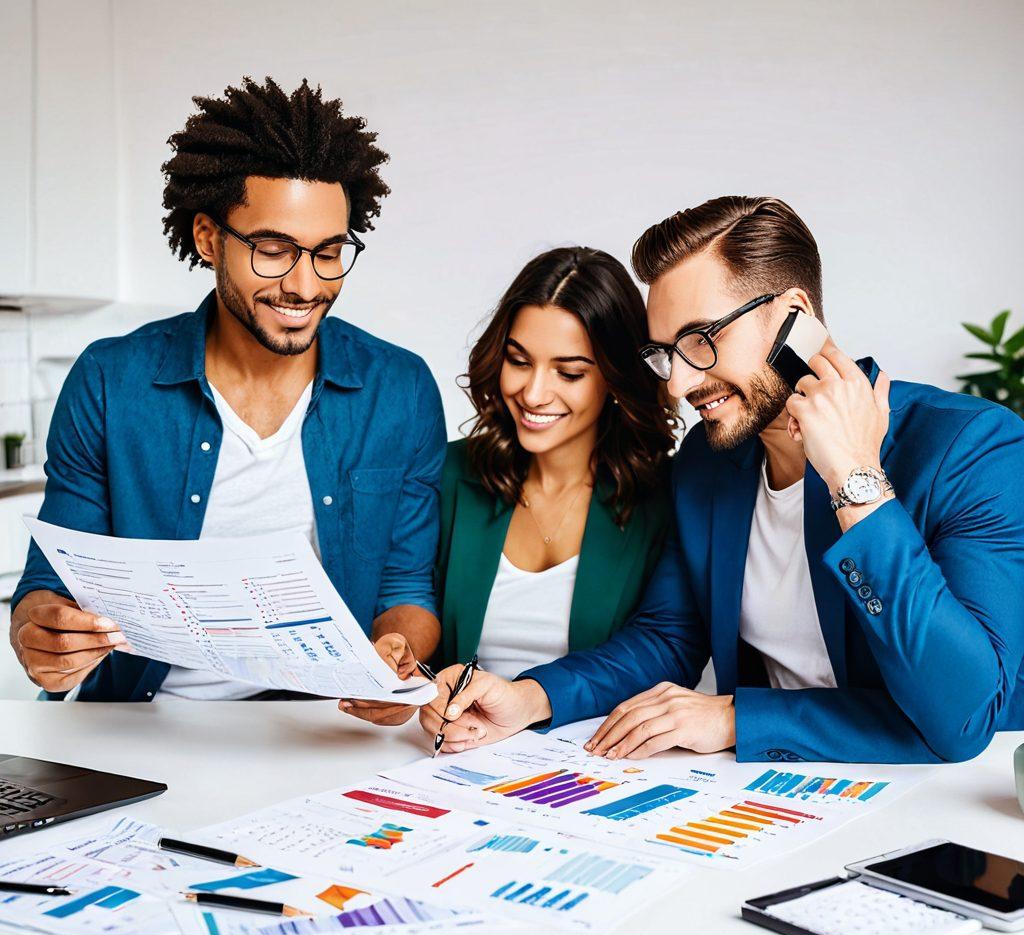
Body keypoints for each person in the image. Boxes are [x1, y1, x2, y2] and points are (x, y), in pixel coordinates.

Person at [419, 195, 1024, 763]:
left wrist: (856, 477)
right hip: (771, 797)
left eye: (701, 340)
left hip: (950, 804)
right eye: (665, 353)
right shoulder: (711, 464)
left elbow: (964, 717)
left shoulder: (969, 447)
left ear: (795, 318)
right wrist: (532, 698)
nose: (679, 384)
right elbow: (668, 637)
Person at [9, 77, 445, 700]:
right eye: (273, 249)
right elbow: (47, 585)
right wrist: (40, 633)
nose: (304, 285)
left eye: (328, 252)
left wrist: (395, 658)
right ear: (209, 238)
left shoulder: (398, 389)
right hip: (141, 722)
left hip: (318, 729)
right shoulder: (111, 381)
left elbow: (407, 591)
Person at [341, 247, 676, 729]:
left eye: (570, 372)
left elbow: (662, 650)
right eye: (519, 361)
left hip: (594, 762)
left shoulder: (663, 497)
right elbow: (410, 597)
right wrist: (402, 666)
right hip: (454, 755)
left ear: (616, 378)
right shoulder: (449, 473)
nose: (534, 393)